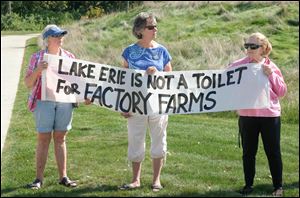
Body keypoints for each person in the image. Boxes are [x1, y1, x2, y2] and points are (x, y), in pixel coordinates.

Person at [229, 32, 287, 197]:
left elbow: (282, 92)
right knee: (248, 152)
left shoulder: (271, 67)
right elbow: (224, 83)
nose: (249, 49)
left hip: (270, 116)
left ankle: (278, 186)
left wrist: (271, 75)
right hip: (247, 116)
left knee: (273, 152)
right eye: (246, 46)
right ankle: (248, 185)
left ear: (263, 48)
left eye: (253, 46)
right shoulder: (237, 65)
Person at [119, 12, 172, 192]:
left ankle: (156, 180)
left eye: (156, 26)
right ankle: (135, 180)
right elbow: (122, 80)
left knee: (159, 140)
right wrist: (123, 104)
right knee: (135, 140)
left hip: (158, 105)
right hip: (135, 105)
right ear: (140, 30)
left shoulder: (162, 51)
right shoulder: (129, 51)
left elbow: (171, 78)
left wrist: (156, 74)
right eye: (151, 27)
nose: (155, 29)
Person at [25, 24, 77, 189]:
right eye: (56, 35)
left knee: (61, 137)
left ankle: (63, 177)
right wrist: (38, 70)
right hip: (43, 100)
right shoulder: (37, 58)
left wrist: (85, 96)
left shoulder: (69, 57)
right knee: (43, 138)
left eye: (61, 35)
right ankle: (38, 179)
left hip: (64, 101)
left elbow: (77, 82)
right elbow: (28, 83)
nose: (60, 38)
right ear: (47, 39)